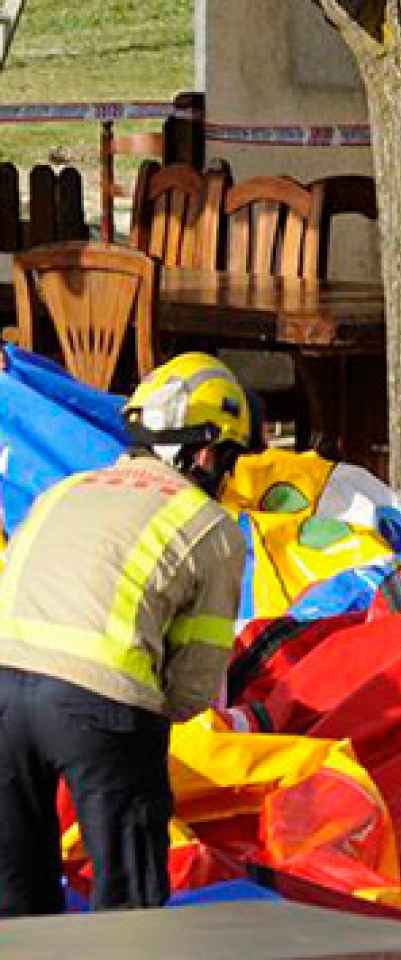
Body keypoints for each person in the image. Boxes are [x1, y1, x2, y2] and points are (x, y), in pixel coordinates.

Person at [0, 352, 250, 914]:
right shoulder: (210, 528)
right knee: (129, 903)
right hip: (101, 704)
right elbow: (192, 687)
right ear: (207, 452)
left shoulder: (65, 489)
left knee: (15, 902)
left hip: (1, 695)